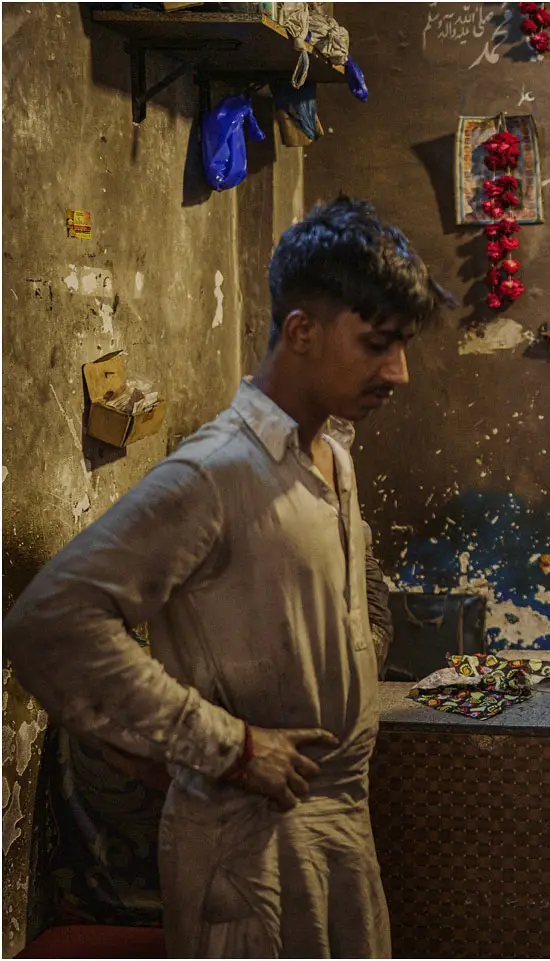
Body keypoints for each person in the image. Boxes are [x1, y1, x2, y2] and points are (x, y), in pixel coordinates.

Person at [3, 196, 448, 957]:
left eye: (402, 345)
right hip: (250, 850)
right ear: (301, 332)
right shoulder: (213, 473)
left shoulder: (332, 457)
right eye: (378, 344)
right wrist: (227, 745)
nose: (398, 372)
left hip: (338, 828)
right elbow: (51, 622)